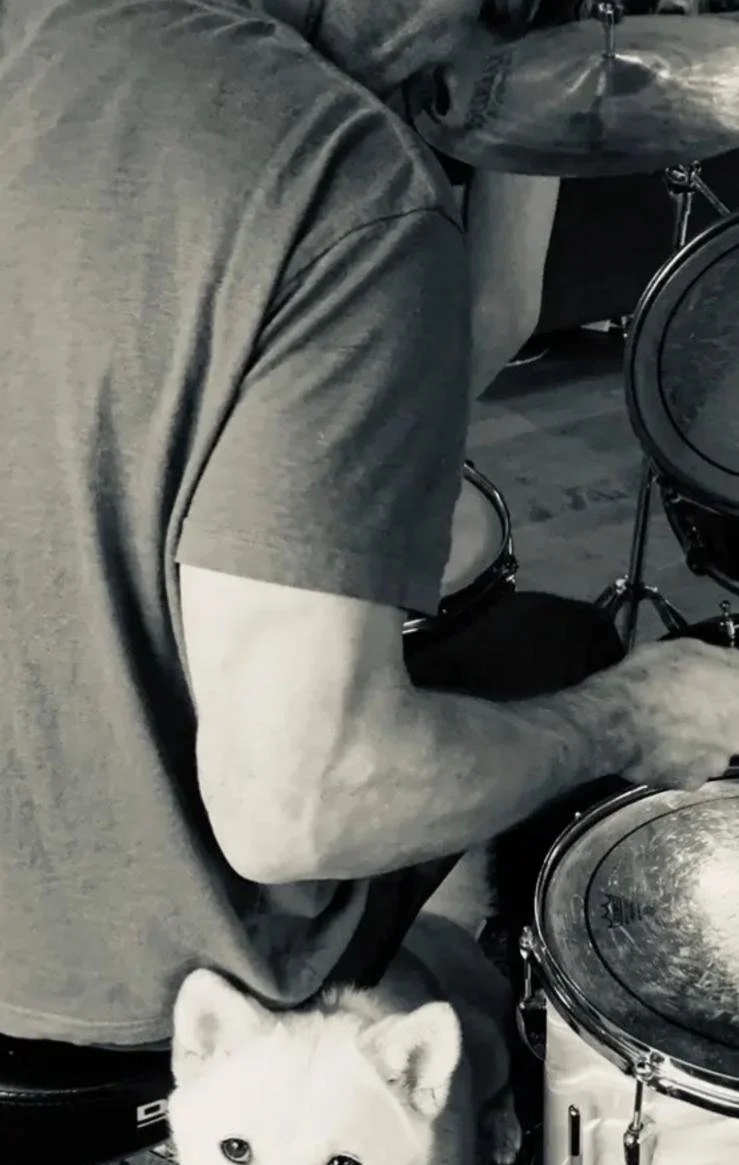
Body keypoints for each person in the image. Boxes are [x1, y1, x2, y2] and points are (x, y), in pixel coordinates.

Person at [1, 0, 738, 1052]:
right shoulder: (341, 175)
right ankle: (475, 1074)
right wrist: (623, 717)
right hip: (118, 992)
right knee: (556, 653)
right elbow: (300, 806)